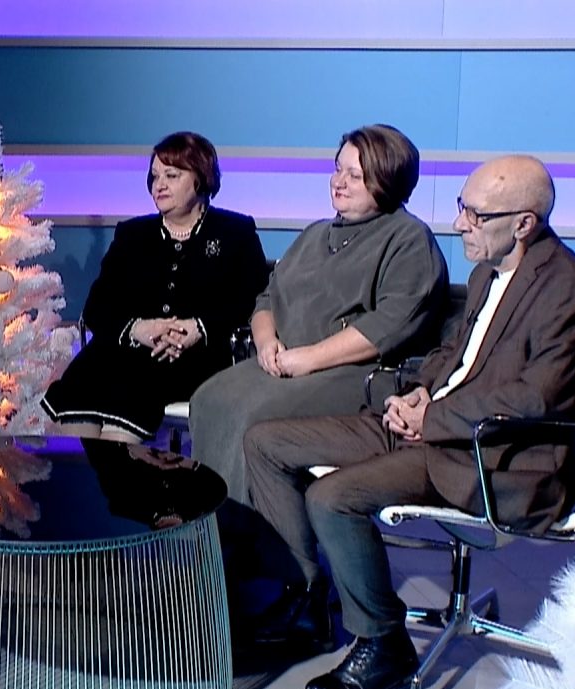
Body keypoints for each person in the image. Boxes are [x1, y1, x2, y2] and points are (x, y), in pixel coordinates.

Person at [242, 155, 575, 689]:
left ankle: (383, 643)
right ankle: (308, 598)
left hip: (485, 452)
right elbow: (453, 356)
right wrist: (418, 393)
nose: (460, 224)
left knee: (332, 497)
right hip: (432, 425)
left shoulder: (565, 284)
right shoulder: (486, 272)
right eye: (462, 208)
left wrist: (432, 419)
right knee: (266, 442)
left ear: (524, 223)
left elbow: (538, 396)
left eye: (476, 215)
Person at [190, 124, 450, 500]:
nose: (338, 182)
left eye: (354, 175)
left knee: (251, 414)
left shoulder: (409, 239)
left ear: (387, 179)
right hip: (285, 364)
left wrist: (309, 358)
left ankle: (246, 531)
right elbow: (268, 297)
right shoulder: (315, 233)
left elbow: (391, 323)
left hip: (356, 374)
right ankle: (208, 524)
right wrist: (265, 342)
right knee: (208, 398)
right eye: (337, 169)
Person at [41, 131, 268, 443]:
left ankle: (121, 469)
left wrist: (198, 327)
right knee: (83, 387)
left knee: (128, 404)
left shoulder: (236, 232)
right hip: (125, 349)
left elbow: (254, 299)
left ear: (200, 178)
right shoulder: (132, 235)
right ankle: (83, 471)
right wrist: (139, 329)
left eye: (171, 176)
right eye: (155, 176)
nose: (158, 185)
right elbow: (98, 306)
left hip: (198, 355)